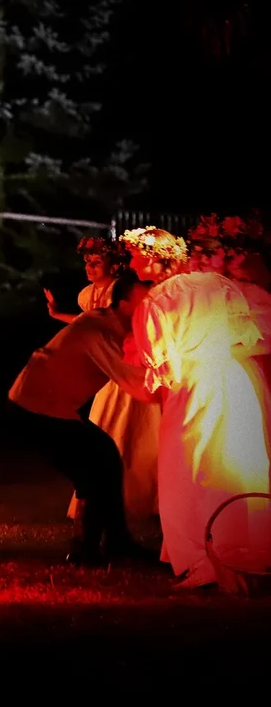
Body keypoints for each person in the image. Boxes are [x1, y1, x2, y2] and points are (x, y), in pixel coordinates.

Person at [122, 227, 271, 590]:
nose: (131, 263)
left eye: (136, 256)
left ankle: (203, 559)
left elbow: (162, 368)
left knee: (192, 471)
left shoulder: (156, 302)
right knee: (236, 465)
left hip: (194, 388)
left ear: (156, 259)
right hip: (235, 380)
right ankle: (243, 550)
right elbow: (248, 336)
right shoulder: (218, 285)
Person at [8, 272, 161, 564]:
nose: (154, 308)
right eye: (147, 300)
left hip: (48, 407)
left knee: (103, 459)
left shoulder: (111, 325)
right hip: (33, 408)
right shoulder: (98, 329)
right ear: (126, 302)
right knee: (95, 467)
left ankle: (108, 544)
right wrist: (178, 389)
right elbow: (132, 381)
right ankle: (91, 550)